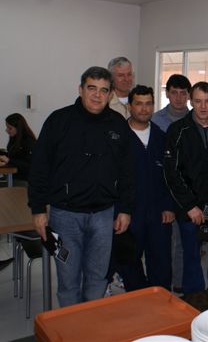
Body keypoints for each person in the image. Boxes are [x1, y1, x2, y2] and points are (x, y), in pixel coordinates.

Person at [28, 66, 135, 306]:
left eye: (103, 90)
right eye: (91, 88)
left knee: (97, 279)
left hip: (103, 217)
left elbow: (127, 171)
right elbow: (39, 168)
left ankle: (91, 324)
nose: (97, 95)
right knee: (68, 282)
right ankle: (71, 326)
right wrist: (37, 209)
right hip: (65, 217)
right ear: (80, 89)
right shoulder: (59, 121)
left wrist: (125, 209)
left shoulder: (118, 124)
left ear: (110, 94)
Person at [163, 82, 208, 302]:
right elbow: (171, 173)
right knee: (192, 260)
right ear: (191, 102)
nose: (203, 106)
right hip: (190, 210)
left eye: (207, 101)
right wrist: (189, 206)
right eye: (198, 101)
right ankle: (194, 304)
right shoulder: (177, 131)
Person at [118, 85, 175, 291]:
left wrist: (169, 206)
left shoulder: (162, 137)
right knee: (128, 261)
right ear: (129, 107)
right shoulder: (118, 137)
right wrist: (119, 211)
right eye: (139, 104)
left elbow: (171, 175)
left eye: (148, 104)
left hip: (158, 213)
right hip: (129, 212)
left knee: (161, 262)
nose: (144, 109)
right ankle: (139, 299)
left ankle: (159, 302)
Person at [150, 73, 192, 293]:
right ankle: (163, 283)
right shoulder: (155, 120)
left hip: (188, 190)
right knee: (163, 241)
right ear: (167, 94)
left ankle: (179, 283)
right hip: (161, 189)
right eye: (174, 92)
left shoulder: (196, 118)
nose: (178, 97)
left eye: (183, 93)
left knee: (183, 242)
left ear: (189, 95)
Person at [0, 113, 37, 183]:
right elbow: (11, 156)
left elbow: (29, 166)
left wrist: (9, 160)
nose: (6, 130)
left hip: (23, 180)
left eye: (10, 128)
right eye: (7, 127)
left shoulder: (29, 142)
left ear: (19, 128)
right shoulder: (15, 138)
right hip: (12, 176)